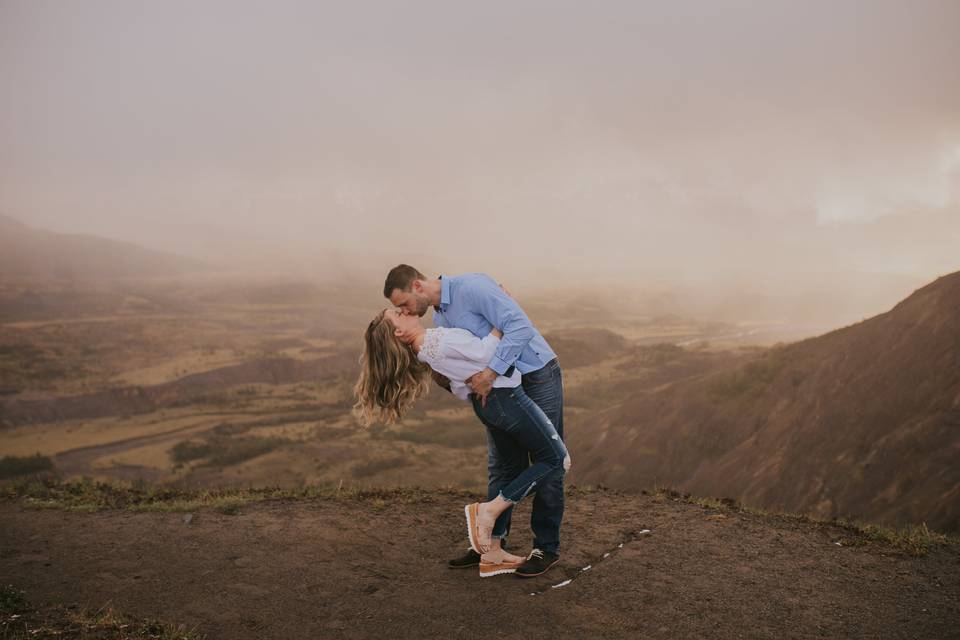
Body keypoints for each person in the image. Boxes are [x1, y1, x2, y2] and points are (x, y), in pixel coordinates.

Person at [353, 307, 570, 578]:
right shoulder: (434, 342)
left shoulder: (425, 351)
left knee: (506, 469)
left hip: (488, 404)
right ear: (398, 331)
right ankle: (490, 513)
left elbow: (459, 385)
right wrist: (501, 318)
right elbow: (486, 353)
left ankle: (491, 549)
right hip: (507, 399)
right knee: (556, 459)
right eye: (397, 312)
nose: (405, 310)